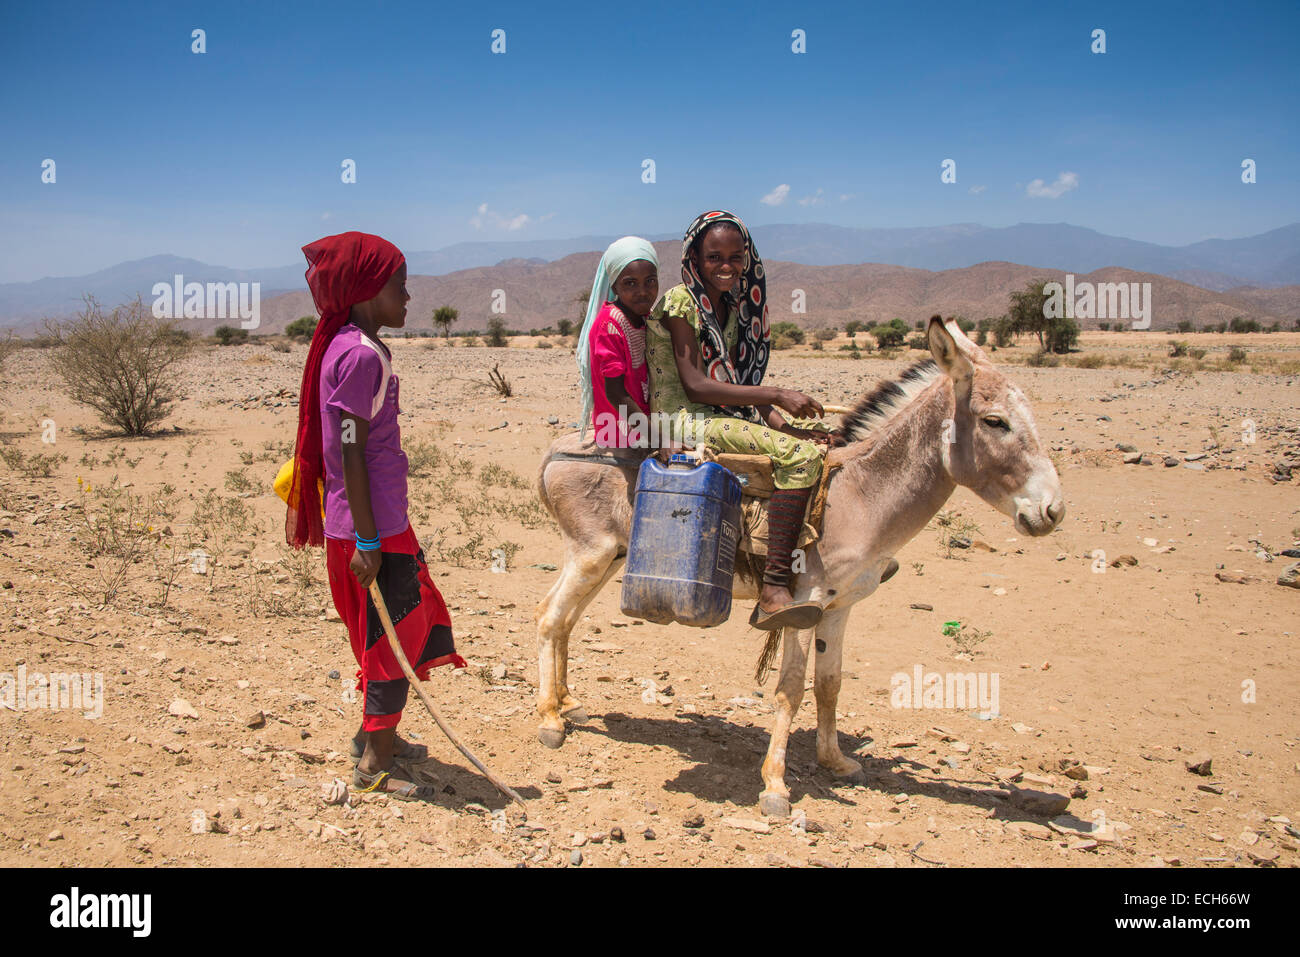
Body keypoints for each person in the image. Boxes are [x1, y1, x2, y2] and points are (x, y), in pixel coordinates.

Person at [286, 230, 464, 800]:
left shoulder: (344, 344)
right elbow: (350, 450)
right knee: (393, 638)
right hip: (372, 529)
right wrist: (369, 538)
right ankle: (375, 767)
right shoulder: (361, 355)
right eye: (400, 287)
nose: (408, 299)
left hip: (367, 525)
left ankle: (373, 737)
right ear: (367, 291)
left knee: (380, 633)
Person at [646, 210, 832, 631]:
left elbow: (737, 381)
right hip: (682, 420)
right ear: (695, 257)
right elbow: (696, 385)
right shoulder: (682, 302)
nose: (726, 267)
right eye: (714, 257)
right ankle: (773, 588)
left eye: (735, 256)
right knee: (800, 459)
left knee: (817, 445)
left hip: (717, 412)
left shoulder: (730, 305)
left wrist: (785, 424)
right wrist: (776, 394)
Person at [577, 236, 660, 448]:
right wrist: (659, 439)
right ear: (614, 285)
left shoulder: (645, 318)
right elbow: (615, 393)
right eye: (630, 283)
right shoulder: (609, 325)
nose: (642, 291)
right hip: (619, 430)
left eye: (650, 281)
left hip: (643, 424)